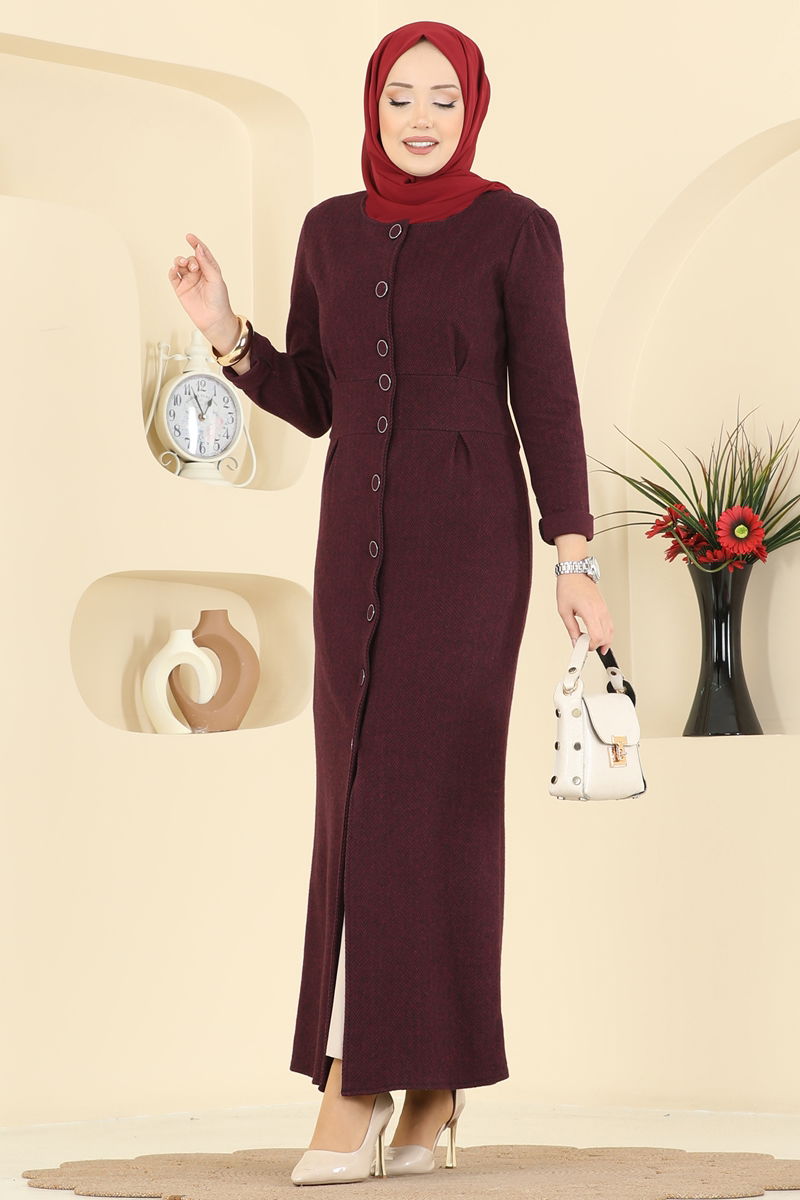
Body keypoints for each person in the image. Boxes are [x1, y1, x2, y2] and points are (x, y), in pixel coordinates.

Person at [168, 19, 614, 1187]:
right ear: (372, 105)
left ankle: (358, 1080)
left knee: (430, 807)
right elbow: (315, 399)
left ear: (471, 109)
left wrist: (572, 556)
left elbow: (548, 396)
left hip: (469, 553)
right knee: (357, 802)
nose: (419, 118)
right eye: (400, 97)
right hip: (350, 555)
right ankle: (429, 1083)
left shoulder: (515, 230)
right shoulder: (328, 230)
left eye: (441, 99)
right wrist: (223, 332)